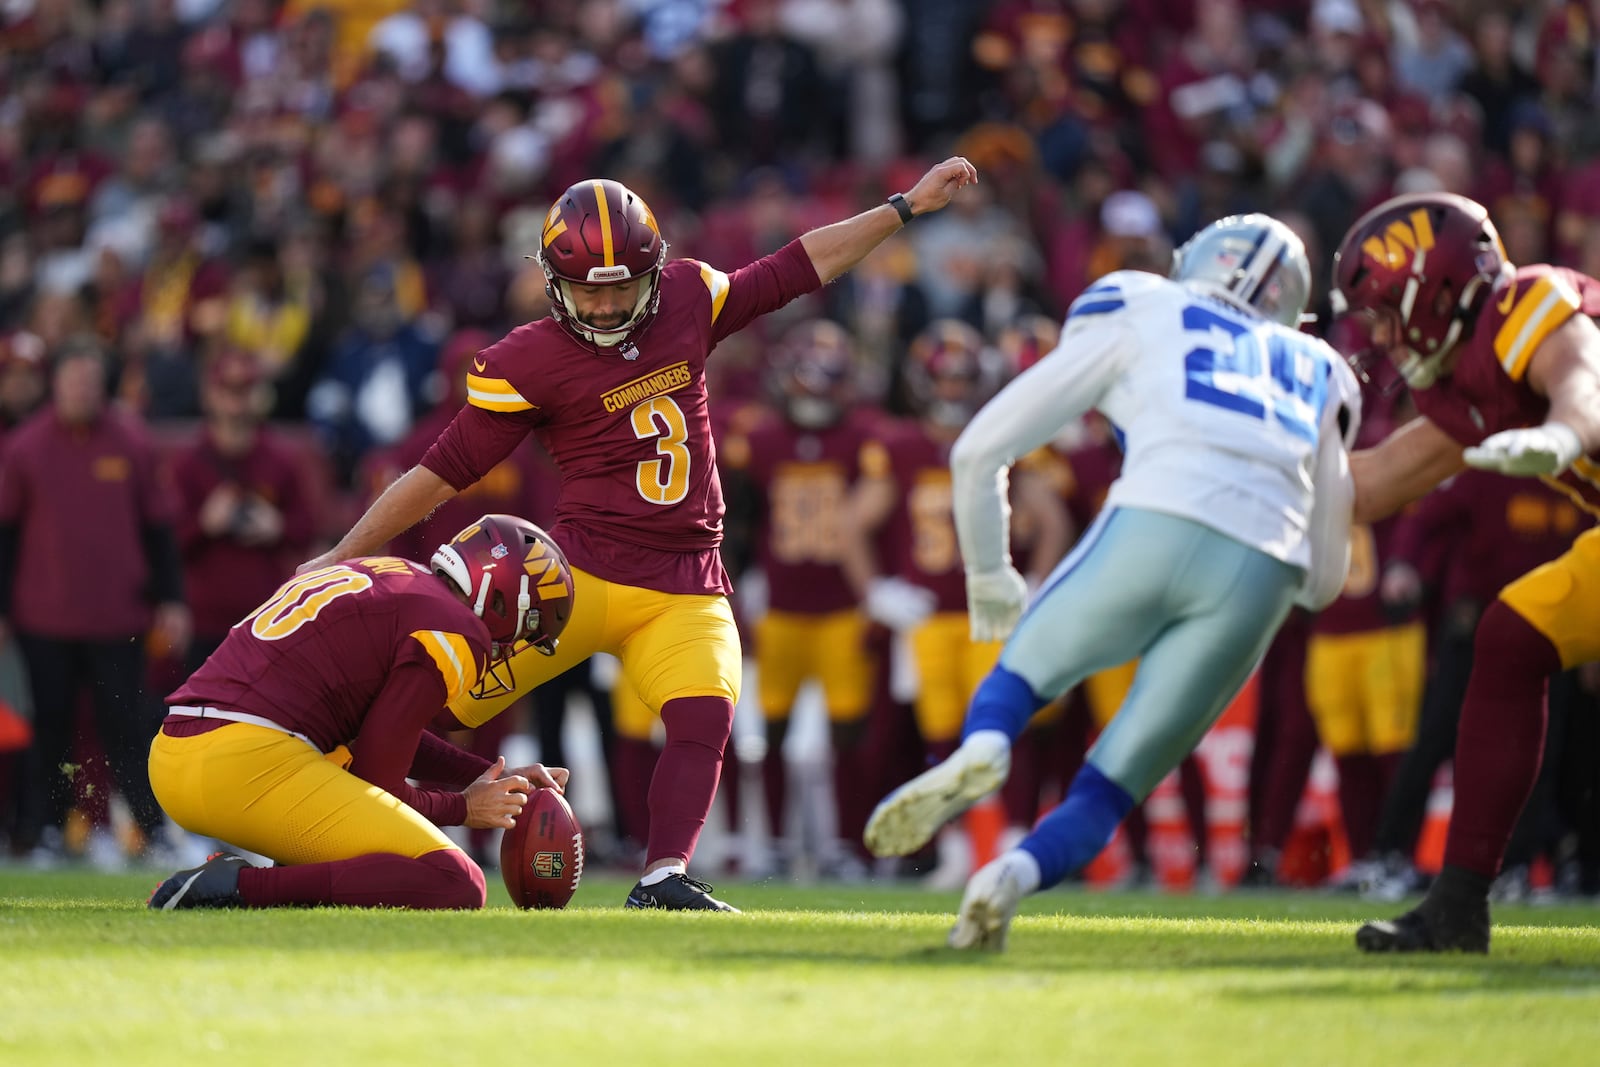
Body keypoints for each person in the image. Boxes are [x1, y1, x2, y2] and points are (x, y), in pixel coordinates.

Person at [297, 160, 981, 911]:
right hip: (577, 578)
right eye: (590, 286)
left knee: (705, 711)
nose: (609, 300)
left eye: (622, 283)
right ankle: (306, 792)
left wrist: (905, 207)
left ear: (652, 270)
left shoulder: (686, 296)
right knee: (435, 697)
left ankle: (662, 877)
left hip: (687, 575)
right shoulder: (530, 358)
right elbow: (441, 472)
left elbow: (800, 265)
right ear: (554, 280)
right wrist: (343, 553)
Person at [863, 213, 1363, 950]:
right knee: (1112, 783)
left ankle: (986, 745)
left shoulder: (1143, 302)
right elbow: (1324, 582)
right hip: (1264, 566)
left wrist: (992, 573)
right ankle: (1014, 875)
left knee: (1023, 681)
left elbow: (977, 453)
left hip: (1158, 512)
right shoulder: (1325, 369)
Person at [1327, 192, 1600, 953]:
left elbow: (1587, 385)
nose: (1378, 334)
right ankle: (1457, 905)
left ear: (1435, 289)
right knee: (1512, 637)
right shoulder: (1463, 372)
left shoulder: (1525, 302)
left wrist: (1562, 433)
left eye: (1383, 311)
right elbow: (1377, 480)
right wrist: (1237, 482)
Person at [146, 514, 574, 911]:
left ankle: (275, 875)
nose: (512, 648)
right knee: (456, 880)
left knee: (354, 825)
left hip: (179, 752)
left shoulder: (391, 574)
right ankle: (235, 887)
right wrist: (463, 809)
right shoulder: (451, 628)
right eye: (526, 629)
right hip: (246, 762)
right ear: (501, 601)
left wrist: (492, 776)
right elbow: (378, 779)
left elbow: (382, 733)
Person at [0, 337, 192, 865]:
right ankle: (44, 834)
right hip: (44, 615)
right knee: (50, 728)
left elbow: (158, 529)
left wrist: (170, 598)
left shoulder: (131, 441)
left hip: (116, 616)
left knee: (126, 727)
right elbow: (6, 534)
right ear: (55, 384)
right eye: (72, 379)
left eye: (89, 380)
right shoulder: (26, 447)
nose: (82, 389)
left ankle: (151, 835)